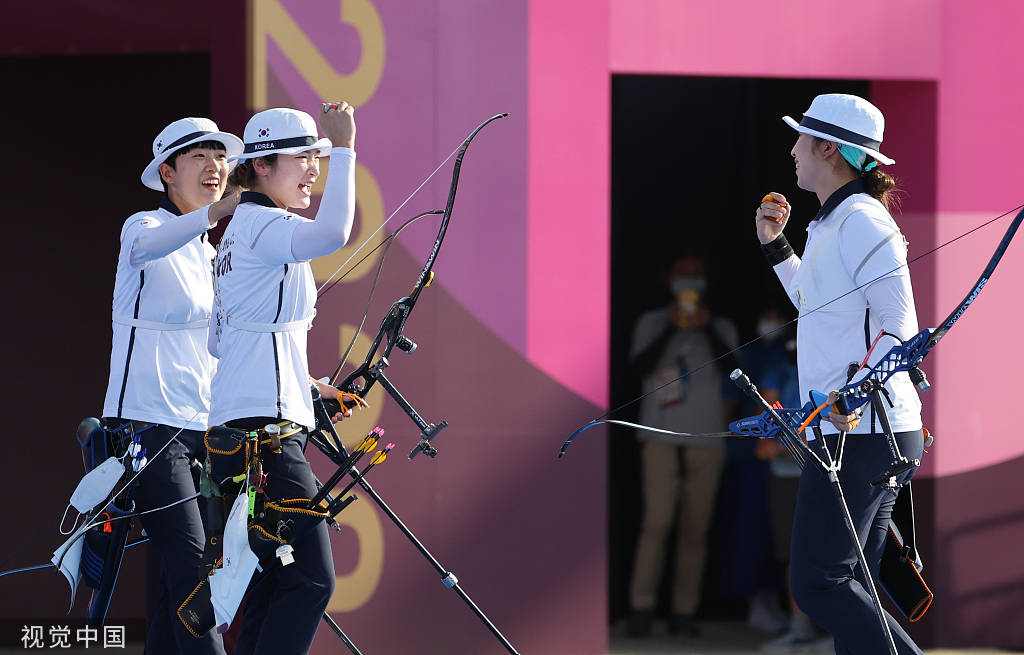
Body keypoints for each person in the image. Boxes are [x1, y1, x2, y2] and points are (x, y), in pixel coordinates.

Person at [754, 93, 925, 655]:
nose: (794, 148)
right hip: (860, 429)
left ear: (827, 148)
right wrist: (776, 245)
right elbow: (814, 301)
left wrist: (852, 391)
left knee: (819, 582)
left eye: (802, 138)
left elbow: (901, 327)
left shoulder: (861, 219)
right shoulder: (832, 221)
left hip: (863, 429)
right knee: (852, 583)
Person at [206, 102, 356, 655]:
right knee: (311, 578)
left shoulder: (244, 232)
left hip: (251, 428)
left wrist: (309, 386)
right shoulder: (263, 224)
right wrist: (345, 146)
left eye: (319, 156)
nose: (315, 168)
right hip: (261, 435)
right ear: (262, 167)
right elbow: (336, 232)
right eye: (304, 157)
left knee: (275, 579)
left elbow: (226, 340)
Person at [103, 117, 243, 654]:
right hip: (146, 426)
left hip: (199, 432)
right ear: (167, 172)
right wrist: (219, 211)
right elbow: (151, 246)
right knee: (194, 577)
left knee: (180, 582)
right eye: (198, 158)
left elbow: (228, 344)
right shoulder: (142, 227)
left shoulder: (212, 255)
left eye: (220, 157)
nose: (214, 167)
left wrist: (310, 385)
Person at [626, 255, 738, 638]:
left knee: (696, 528)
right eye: (682, 274)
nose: (689, 280)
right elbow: (638, 367)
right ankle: (641, 608)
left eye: (696, 274)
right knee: (657, 522)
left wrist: (706, 329)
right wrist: (671, 328)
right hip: (659, 436)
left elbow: (735, 373)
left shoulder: (721, 326)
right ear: (668, 278)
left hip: (706, 437)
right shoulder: (651, 322)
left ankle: (684, 610)